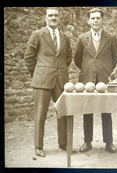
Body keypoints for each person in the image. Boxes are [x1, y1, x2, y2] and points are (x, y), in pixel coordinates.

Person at [24, 7, 72, 157]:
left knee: (63, 112)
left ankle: (63, 144)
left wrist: (60, 71)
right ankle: (38, 147)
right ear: (45, 18)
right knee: (40, 114)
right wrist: (38, 74)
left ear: (59, 18)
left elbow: (68, 58)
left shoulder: (65, 37)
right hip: (42, 81)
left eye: (56, 15)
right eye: (50, 15)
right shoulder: (37, 35)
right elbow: (29, 58)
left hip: (61, 80)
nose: (53, 18)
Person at [74, 8, 117, 153]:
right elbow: (77, 58)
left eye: (98, 18)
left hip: (105, 80)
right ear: (88, 21)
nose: (95, 21)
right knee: (87, 111)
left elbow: (116, 59)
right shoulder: (82, 38)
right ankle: (87, 142)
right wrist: (89, 69)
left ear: (102, 20)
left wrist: (106, 72)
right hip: (87, 79)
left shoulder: (111, 38)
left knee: (107, 111)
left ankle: (109, 142)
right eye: (92, 18)